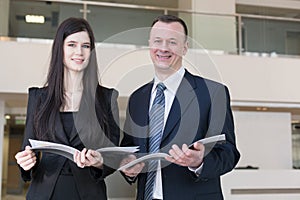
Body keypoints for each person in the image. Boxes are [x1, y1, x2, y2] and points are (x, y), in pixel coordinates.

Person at [120, 15, 240, 200]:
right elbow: (129, 148)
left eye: (172, 42)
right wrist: (129, 166)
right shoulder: (137, 98)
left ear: (185, 48)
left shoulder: (212, 93)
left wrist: (199, 162)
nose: (163, 48)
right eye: (158, 41)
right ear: (150, 45)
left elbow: (229, 154)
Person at [15, 17, 120, 200]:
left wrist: (99, 162)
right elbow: (28, 150)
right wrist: (26, 163)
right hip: (44, 193)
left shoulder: (107, 98)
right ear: (60, 49)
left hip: (88, 192)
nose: (79, 52)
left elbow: (114, 154)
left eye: (86, 46)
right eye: (72, 44)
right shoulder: (38, 97)